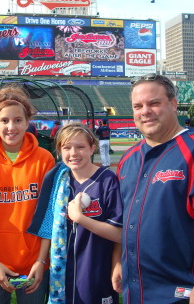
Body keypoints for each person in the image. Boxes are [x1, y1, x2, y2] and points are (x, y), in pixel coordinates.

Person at [113, 73, 194, 304]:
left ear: (173, 104)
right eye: (138, 106)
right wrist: (118, 261)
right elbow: (125, 221)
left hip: (183, 291)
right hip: (137, 288)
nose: (145, 111)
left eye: (154, 103)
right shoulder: (128, 158)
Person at [0, 84, 55, 304]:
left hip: (34, 263)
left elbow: (49, 214)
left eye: (18, 120)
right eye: (4, 120)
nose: (11, 127)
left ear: (27, 122)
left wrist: (42, 261)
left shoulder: (44, 159)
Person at [28, 122, 123, 304]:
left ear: (92, 148)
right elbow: (49, 227)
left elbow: (119, 233)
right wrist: (40, 262)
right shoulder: (58, 181)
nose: (73, 153)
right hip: (62, 274)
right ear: (59, 151)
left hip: (96, 272)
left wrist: (80, 219)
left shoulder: (106, 181)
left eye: (80, 147)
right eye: (67, 148)